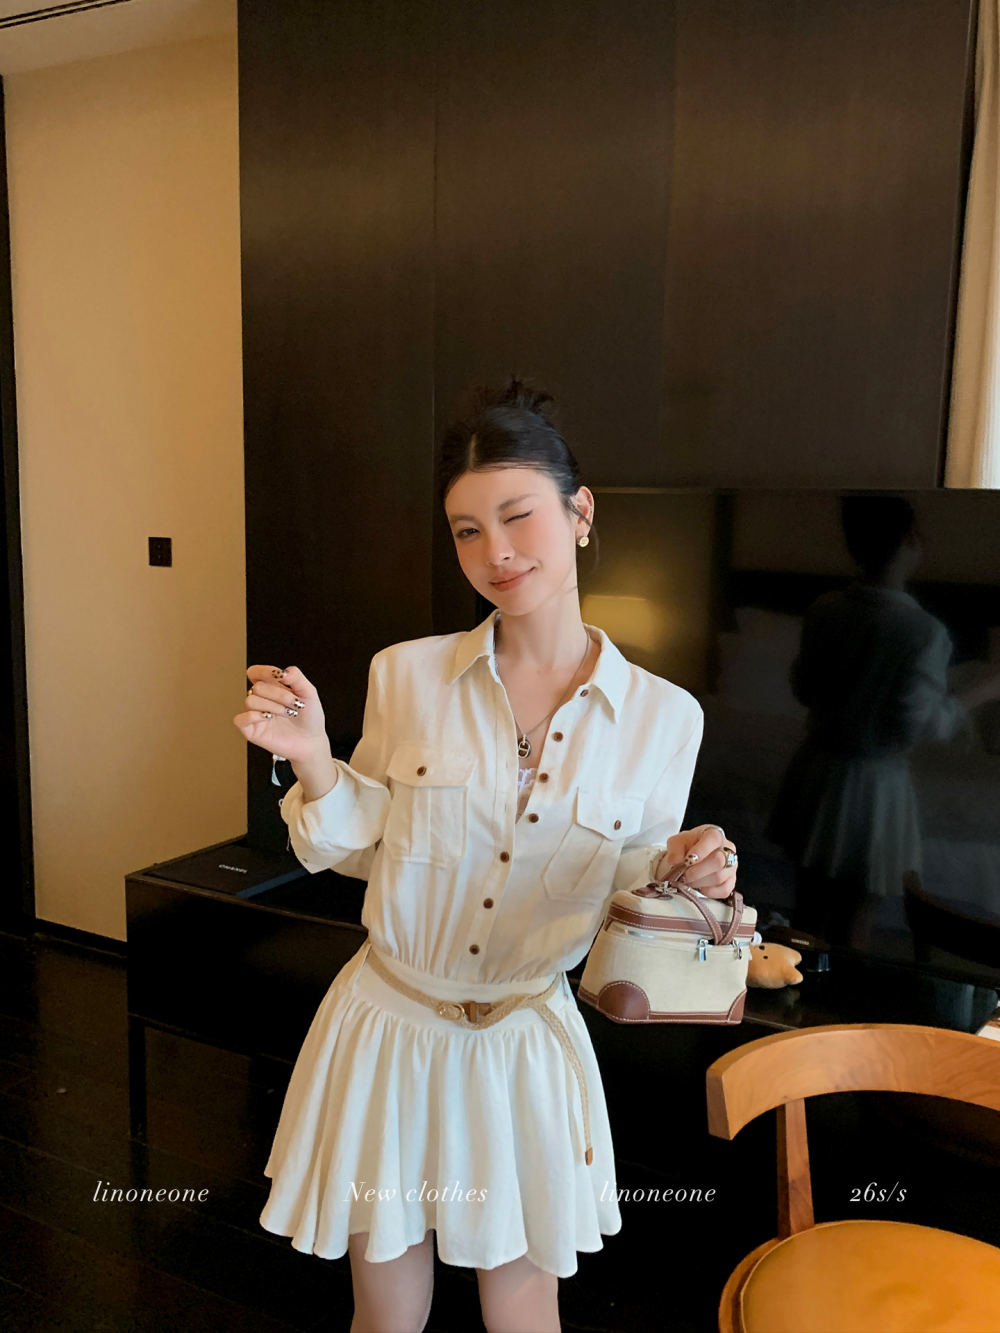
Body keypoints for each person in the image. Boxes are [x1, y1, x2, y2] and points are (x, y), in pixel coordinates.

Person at [233, 377, 739, 1333]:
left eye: (518, 516)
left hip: (521, 1045)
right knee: (387, 1310)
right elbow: (356, 847)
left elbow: (626, 888)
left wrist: (684, 869)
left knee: (523, 1308)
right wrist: (313, 759)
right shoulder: (406, 674)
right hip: (388, 1026)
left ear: (580, 514)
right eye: (468, 530)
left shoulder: (665, 718)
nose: (496, 551)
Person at [765, 495, 1000, 950]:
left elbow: (804, 687)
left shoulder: (826, 608)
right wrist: (982, 692)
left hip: (817, 773)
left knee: (808, 909)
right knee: (855, 916)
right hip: (872, 787)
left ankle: (797, 984)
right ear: (911, 538)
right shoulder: (922, 631)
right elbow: (919, 724)